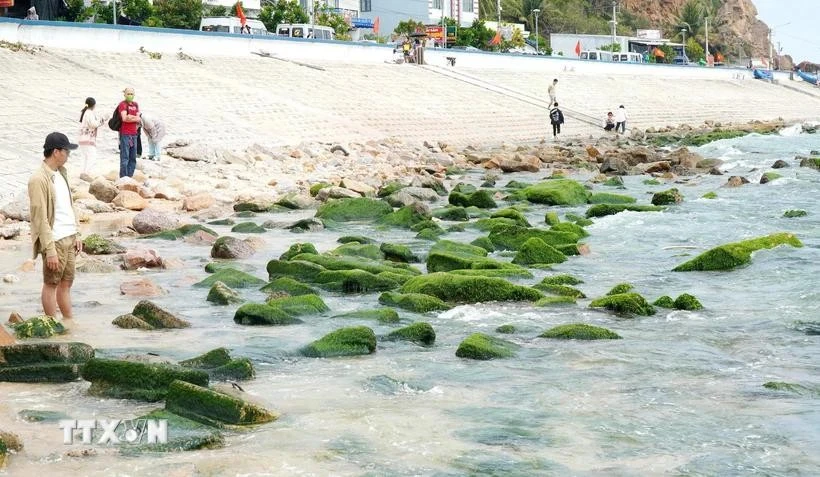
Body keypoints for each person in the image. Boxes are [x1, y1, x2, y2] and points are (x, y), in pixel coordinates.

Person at [28, 132, 83, 320]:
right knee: (51, 284)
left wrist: (78, 233)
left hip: (69, 236)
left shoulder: (62, 173)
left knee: (66, 283)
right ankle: (51, 325)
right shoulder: (38, 179)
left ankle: (69, 324)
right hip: (55, 239)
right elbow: (39, 217)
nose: (69, 155)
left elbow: (69, 205)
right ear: (56, 152)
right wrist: (49, 249)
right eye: (67, 151)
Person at [77, 97, 107, 174]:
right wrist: (102, 119)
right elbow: (93, 124)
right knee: (92, 156)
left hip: (82, 138)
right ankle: (86, 172)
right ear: (94, 105)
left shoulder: (85, 112)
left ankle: (82, 172)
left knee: (85, 156)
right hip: (88, 138)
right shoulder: (89, 113)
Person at [117, 87, 141, 178]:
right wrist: (132, 118)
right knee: (125, 157)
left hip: (134, 133)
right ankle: (123, 177)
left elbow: (139, 118)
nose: (130, 95)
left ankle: (129, 176)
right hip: (125, 134)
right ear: (125, 94)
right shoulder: (122, 104)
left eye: (131, 94)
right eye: (128, 94)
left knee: (133, 157)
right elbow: (124, 118)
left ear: (134, 95)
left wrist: (130, 117)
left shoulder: (136, 104)